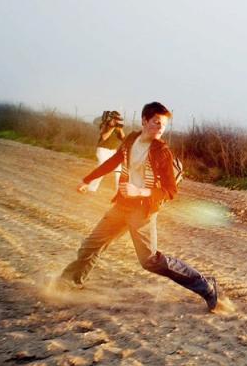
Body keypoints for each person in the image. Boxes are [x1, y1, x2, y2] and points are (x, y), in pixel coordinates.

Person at [57, 101, 235, 314]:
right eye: (156, 122)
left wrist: (139, 191)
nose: (160, 128)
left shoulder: (162, 152)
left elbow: (170, 190)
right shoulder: (131, 140)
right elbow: (113, 162)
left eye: (164, 125)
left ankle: (206, 287)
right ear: (144, 120)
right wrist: (87, 180)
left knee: (150, 261)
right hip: (121, 206)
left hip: (142, 210)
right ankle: (68, 284)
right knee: (90, 246)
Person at [86, 110, 124, 192]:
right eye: (115, 119)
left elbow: (124, 138)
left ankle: (119, 191)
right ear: (110, 118)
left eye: (117, 120)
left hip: (112, 151)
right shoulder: (104, 125)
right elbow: (104, 137)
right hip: (102, 150)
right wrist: (112, 128)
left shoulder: (118, 128)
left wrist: (120, 129)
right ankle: (92, 187)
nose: (116, 121)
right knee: (102, 169)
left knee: (119, 170)